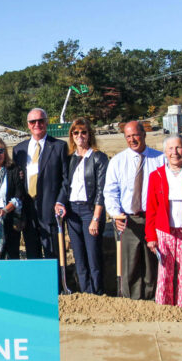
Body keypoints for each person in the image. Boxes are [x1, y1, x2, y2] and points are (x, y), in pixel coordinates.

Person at [104, 120, 165, 299]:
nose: (132, 139)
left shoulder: (159, 159)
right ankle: (131, 301)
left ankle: (150, 298)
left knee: (150, 263)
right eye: (128, 136)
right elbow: (110, 191)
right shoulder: (117, 161)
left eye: (136, 135)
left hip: (152, 219)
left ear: (144, 134)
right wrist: (115, 214)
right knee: (129, 264)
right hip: (128, 219)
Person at [145, 134, 182, 308]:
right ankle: (164, 307)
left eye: (178, 148)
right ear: (165, 151)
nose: (175, 152)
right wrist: (151, 236)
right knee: (165, 271)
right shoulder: (155, 176)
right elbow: (152, 208)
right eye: (170, 148)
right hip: (164, 231)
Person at [13, 108, 68, 259]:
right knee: (32, 254)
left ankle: (56, 283)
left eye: (41, 121)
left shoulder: (59, 147)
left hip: (50, 209)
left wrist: (60, 202)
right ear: (28, 125)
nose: (37, 124)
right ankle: (36, 282)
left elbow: (66, 179)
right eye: (33, 121)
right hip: (28, 210)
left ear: (47, 122)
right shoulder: (19, 150)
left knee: (53, 254)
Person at [64, 118, 108, 294]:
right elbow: (66, 186)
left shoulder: (99, 158)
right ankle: (86, 293)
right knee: (79, 256)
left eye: (83, 132)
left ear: (90, 135)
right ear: (72, 136)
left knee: (93, 256)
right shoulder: (70, 159)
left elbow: (101, 191)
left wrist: (96, 218)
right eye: (76, 133)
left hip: (90, 212)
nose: (80, 136)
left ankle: (97, 292)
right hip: (73, 212)